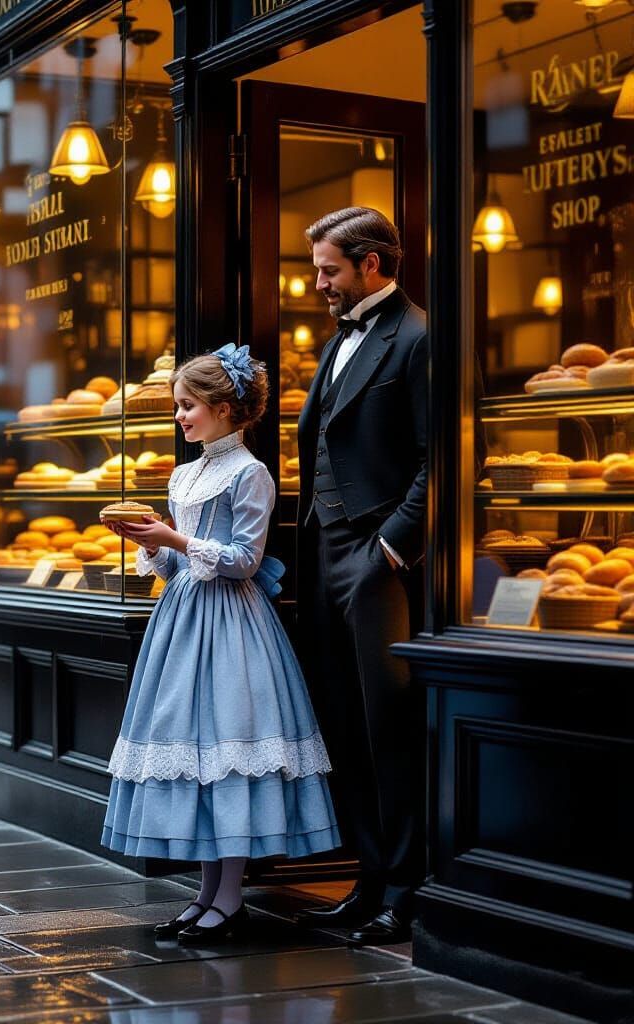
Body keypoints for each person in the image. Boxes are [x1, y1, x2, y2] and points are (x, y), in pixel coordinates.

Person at [101, 346, 340, 943]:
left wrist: (173, 538)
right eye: (179, 406)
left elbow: (243, 561)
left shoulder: (251, 473)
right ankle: (206, 894)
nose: (180, 416)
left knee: (227, 749)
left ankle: (230, 898)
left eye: (189, 406)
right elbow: (172, 570)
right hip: (181, 620)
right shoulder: (184, 473)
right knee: (196, 757)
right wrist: (150, 543)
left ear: (225, 408)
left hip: (233, 624)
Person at [293, 206, 427, 947]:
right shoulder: (340, 337)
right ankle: (368, 879)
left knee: (389, 732)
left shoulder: (419, 336)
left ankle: (406, 893)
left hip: (379, 560)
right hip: (326, 551)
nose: (319, 284)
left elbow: (442, 458)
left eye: (329, 270)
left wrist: (392, 546)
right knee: (343, 723)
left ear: (372, 264)